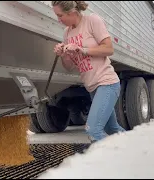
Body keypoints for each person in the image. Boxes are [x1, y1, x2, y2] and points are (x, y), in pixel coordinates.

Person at [51, 1, 125, 143]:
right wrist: (64, 54)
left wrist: (82, 49)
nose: (58, 20)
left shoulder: (92, 21)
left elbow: (109, 49)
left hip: (107, 83)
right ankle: (138, 148)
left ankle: (116, 161)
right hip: (92, 87)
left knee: (93, 130)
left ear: (71, 12)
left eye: (60, 15)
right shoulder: (67, 32)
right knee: (112, 129)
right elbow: (69, 66)